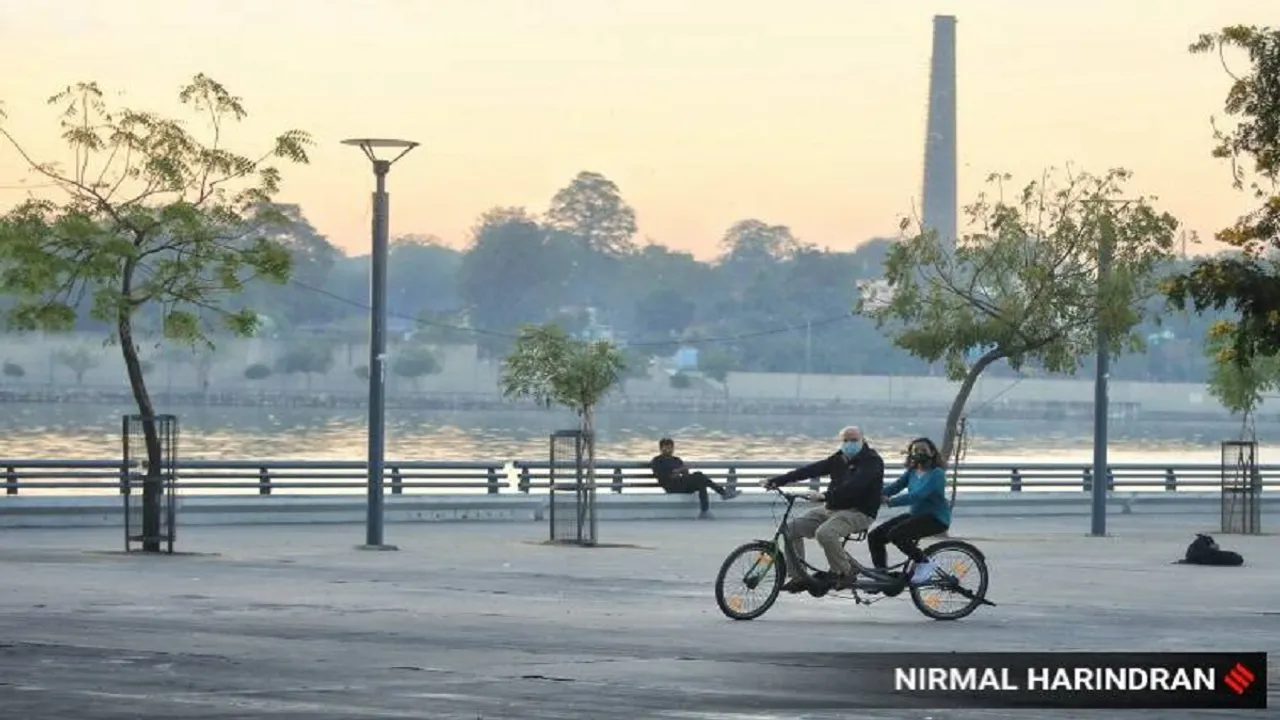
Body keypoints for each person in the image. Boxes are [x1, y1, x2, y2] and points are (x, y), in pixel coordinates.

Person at [761, 426, 885, 592]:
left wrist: (826, 496)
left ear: (863, 440)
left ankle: (845, 572)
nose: (849, 444)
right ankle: (799, 578)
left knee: (825, 533)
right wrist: (777, 481)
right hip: (831, 509)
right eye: (845, 440)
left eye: (854, 440)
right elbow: (810, 470)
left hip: (858, 512)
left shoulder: (872, 461)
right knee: (790, 530)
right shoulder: (839, 458)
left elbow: (855, 486)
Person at [869, 437, 951, 585]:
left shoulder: (937, 473)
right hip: (916, 516)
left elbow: (919, 494)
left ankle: (925, 562)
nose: (919, 453)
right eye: (915, 451)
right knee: (875, 536)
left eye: (923, 450)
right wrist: (873, 494)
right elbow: (894, 487)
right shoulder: (912, 471)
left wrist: (891, 501)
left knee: (897, 534)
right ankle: (882, 578)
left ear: (932, 453)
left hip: (936, 518)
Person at [649, 438, 740, 519]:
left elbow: (685, 476)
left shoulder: (677, 460)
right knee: (699, 475)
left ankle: (704, 511)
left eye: (671, 447)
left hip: (682, 484)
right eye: (666, 447)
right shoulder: (657, 461)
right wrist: (677, 471)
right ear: (661, 448)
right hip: (671, 486)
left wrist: (684, 471)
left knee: (701, 482)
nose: (669, 450)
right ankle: (723, 493)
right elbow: (663, 477)